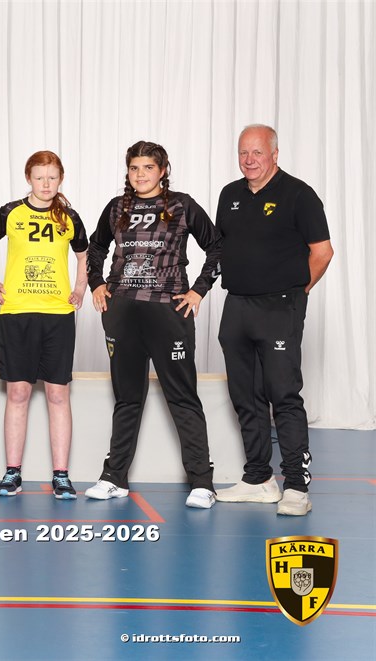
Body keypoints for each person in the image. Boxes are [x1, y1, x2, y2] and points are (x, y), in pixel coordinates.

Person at [84, 141, 221, 508]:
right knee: (127, 398)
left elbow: (218, 247)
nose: (140, 174)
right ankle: (114, 477)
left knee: (182, 396)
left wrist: (198, 290)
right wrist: (96, 283)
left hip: (168, 312)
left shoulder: (182, 205)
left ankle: (202, 483)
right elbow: (95, 248)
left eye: (148, 167)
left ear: (162, 171)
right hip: (123, 313)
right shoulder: (117, 207)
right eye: (134, 168)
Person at [214, 124, 333, 516]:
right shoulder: (230, 195)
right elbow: (222, 248)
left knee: (283, 394)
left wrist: (297, 291)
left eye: (257, 152)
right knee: (245, 396)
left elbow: (323, 252)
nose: (249, 160)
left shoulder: (299, 194)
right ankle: (258, 479)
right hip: (237, 306)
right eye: (243, 153)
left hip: (280, 307)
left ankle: (296, 486)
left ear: (275, 154)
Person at [0, 150, 88, 499]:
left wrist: (80, 287)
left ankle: (61, 475)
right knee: (18, 393)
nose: (46, 183)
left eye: (52, 177)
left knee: (57, 394)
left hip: (57, 315)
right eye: (39, 177)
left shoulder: (69, 216)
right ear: (29, 178)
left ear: (60, 179)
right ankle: (12, 472)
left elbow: (84, 254)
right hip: (17, 313)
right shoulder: (11, 212)